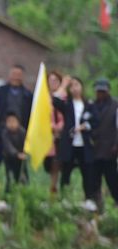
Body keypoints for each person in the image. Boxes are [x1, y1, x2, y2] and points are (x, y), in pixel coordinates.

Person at [0, 65, 32, 203]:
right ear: (9, 75)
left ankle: (20, 195)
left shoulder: (27, 94)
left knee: (19, 167)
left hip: (20, 136)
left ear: (22, 76)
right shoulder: (0, 91)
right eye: (13, 73)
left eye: (18, 74)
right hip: (1, 133)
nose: (16, 77)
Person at [53, 77, 97, 208]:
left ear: (82, 87)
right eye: (71, 86)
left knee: (87, 172)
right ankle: (64, 198)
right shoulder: (67, 104)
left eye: (77, 85)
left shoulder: (89, 104)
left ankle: (88, 198)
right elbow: (55, 100)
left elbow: (96, 121)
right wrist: (63, 85)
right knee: (66, 171)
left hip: (84, 144)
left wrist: (84, 126)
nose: (75, 88)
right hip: (70, 144)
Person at [89, 79, 118, 210]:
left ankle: (116, 203)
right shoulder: (91, 105)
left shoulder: (115, 106)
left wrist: (116, 144)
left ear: (108, 91)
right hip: (95, 149)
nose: (100, 93)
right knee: (94, 179)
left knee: (112, 179)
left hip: (110, 150)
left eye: (103, 91)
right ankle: (97, 206)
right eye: (98, 91)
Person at [46, 71, 65, 197]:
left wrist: (59, 127)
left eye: (56, 80)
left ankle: (59, 192)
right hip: (49, 137)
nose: (53, 83)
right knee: (51, 166)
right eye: (51, 80)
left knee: (60, 165)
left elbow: (67, 115)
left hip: (62, 136)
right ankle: (52, 193)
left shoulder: (65, 98)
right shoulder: (45, 98)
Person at [0, 113, 28, 191]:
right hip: (9, 159)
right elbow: (8, 146)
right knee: (10, 178)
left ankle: (24, 193)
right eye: (9, 122)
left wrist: (25, 152)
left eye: (13, 121)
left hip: (21, 159)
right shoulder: (5, 133)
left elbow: (27, 143)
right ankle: (8, 195)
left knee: (23, 177)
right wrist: (16, 154)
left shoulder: (22, 132)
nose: (11, 124)